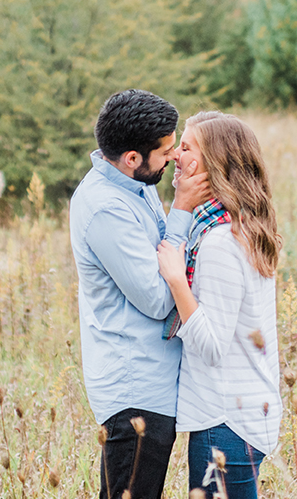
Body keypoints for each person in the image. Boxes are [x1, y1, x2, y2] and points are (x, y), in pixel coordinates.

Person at [70, 89, 212, 499]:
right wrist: (183, 208)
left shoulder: (139, 183)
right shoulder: (104, 208)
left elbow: (163, 253)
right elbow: (157, 297)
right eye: (165, 151)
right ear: (132, 157)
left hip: (154, 381)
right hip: (135, 389)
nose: (172, 157)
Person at [157, 111, 282, 499]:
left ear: (214, 166)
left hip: (225, 421)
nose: (176, 155)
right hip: (241, 414)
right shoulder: (237, 227)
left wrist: (177, 280)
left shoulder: (219, 243)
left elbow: (212, 347)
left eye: (187, 147)